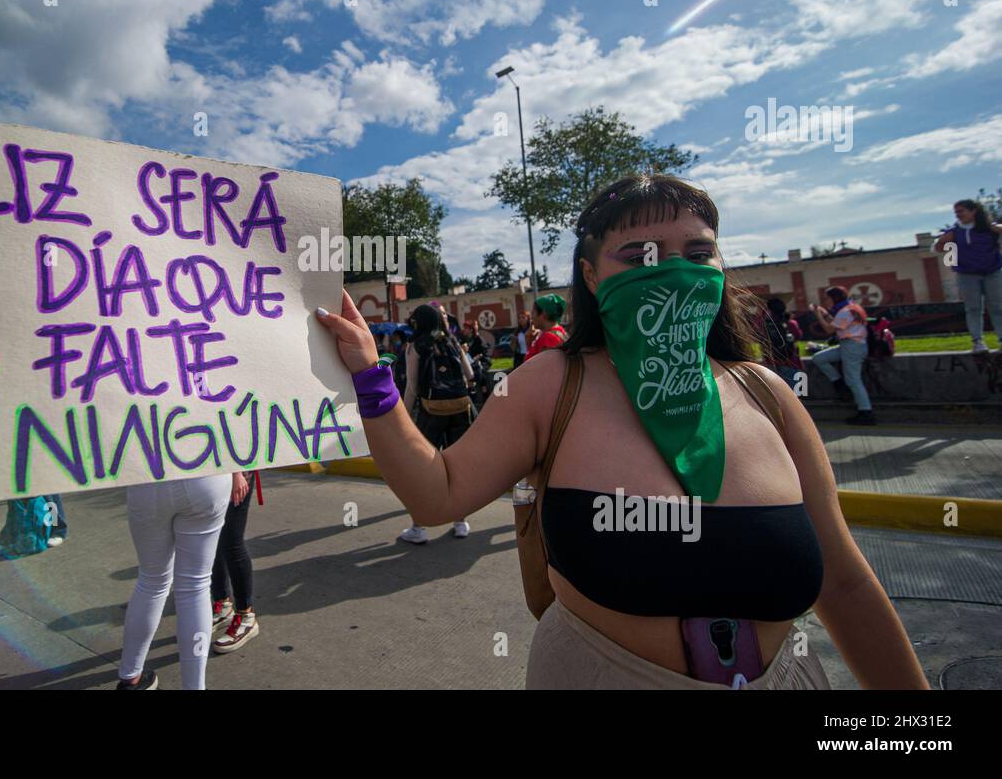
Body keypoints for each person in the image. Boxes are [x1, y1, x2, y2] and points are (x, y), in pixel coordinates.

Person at [316, 173, 927, 689]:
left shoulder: (767, 395)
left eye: (698, 253)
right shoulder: (549, 384)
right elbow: (436, 494)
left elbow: (845, 586)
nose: (673, 272)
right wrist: (372, 376)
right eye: (640, 257)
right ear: (590, 274)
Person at [116, 473, 232, 690]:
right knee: (195, 587)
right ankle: (194, 686)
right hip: (207, 475)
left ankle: (130, 675)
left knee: (151, 581)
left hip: (147, 478)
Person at [397, 303, 473, 544]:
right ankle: (460, 522)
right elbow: (470, 375)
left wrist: (405, 418)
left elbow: (412, 387)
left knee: (424, 469)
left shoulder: (415, 346)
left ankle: (418, 528)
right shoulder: (451, 341)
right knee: (457, 468)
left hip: (431, 413)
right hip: (461, 409)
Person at [934, 199, 1002, 354]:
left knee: (998, 307)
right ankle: (978, 342)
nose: (958, 215)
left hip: (993, 272)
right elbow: (938, 248)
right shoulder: (954, 232)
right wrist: (941, 242)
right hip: (967, 275)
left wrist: (995, 227)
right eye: (956, 213)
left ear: (973, 211)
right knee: (973, 308)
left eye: (961, 211)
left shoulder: (988, 228)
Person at [210, 471, 261, 654]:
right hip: (211, 473)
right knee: (213, 542)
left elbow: (238, 441)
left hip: (236, 471)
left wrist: (236, 473)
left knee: (232, 543)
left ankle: (246, 616)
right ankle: (223, 605)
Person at [811, 286, 876, 426]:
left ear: (834, 298)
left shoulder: (845, 312)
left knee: (853, 380)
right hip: (851, 345)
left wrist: (818, 315)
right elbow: (838, 323)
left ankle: (866, 411)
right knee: (819, 358)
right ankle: (839, 382)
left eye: (827, 298)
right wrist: (825, 313)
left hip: (852, 346)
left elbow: (829, 329)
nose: (825, 301)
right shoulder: (851, 308)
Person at [762, 298, 804, 389]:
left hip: (773, 362)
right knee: (796, 394)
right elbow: (798, 336)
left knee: (779, 394)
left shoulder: (765, 325)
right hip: (792, 361)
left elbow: (760, 339)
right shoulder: (791, 323)